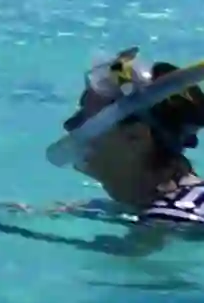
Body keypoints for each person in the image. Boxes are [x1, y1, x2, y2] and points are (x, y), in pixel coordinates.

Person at [58, 52, 204, 230]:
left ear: (135, 138)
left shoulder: (170, 221)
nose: (69, 126)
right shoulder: (162, 204)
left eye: (87, 120)